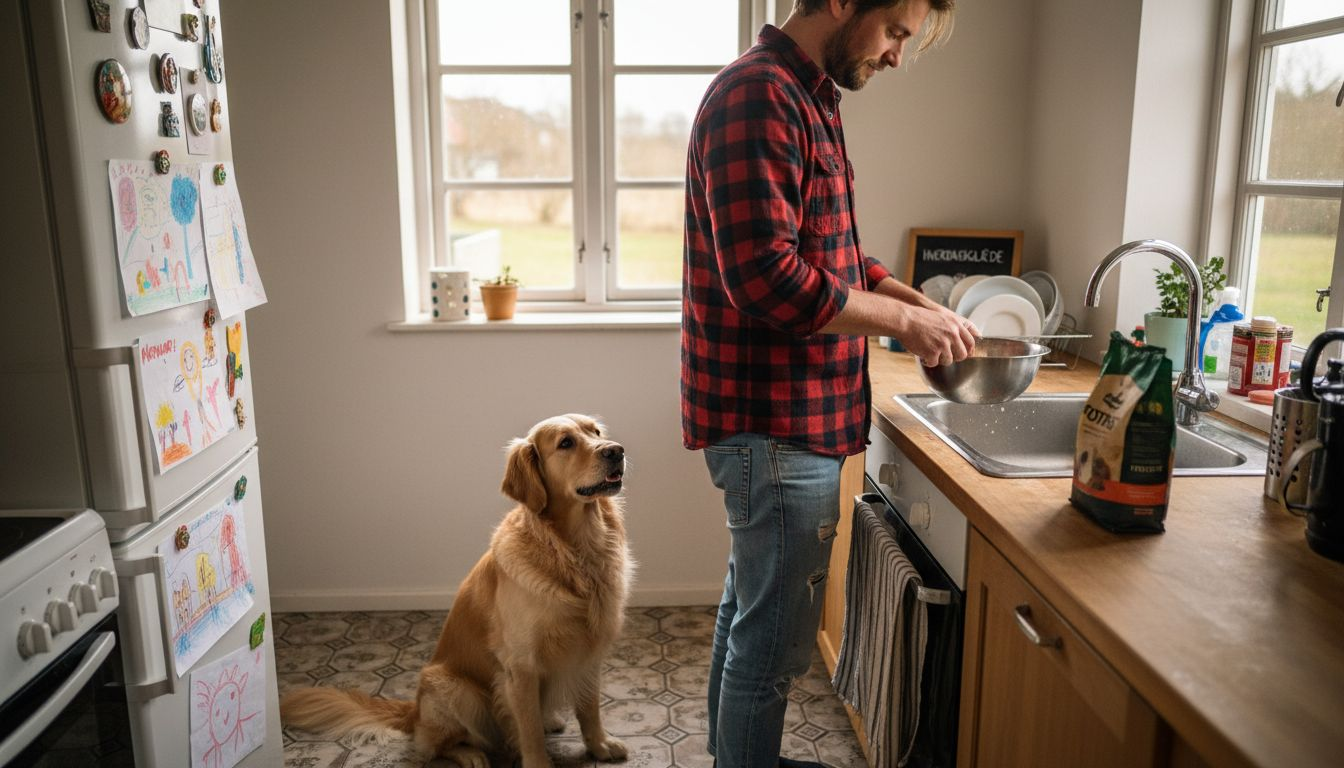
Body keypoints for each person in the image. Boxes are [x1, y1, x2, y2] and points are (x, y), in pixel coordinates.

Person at [680, 1, 966, 766]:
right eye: (897, 31)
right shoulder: (760, 95)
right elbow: (766, 278)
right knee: (772, 651)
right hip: (774, 425)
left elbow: (829, 256)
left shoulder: (808, 97)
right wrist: (903, 328)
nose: (898, 56)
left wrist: (914, 305)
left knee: (749, 618)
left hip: (786, 423)